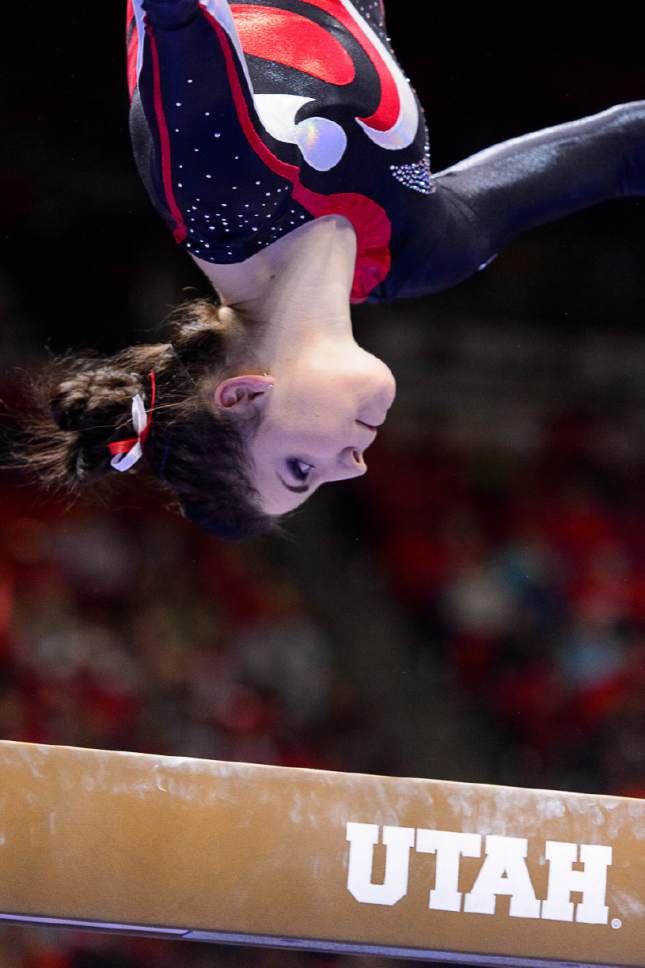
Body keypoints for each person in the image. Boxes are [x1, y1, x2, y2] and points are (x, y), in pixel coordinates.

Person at [23, 0, 645, 537]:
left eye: (302, 468)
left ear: (241, 395)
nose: (354, 466)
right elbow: (623, 150)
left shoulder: (219, 194)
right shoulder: (414, 253)